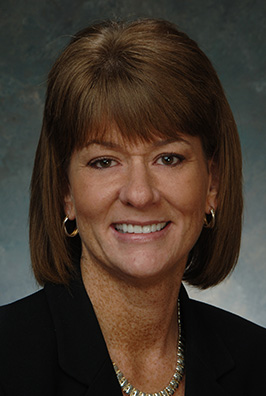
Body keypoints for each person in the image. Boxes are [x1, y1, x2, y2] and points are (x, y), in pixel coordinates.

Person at [0, 18, 265, 396]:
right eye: (104, 161)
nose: (140, 195)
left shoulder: (258, 362)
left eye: (169, 158)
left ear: (213, 183)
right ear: (65, 192)